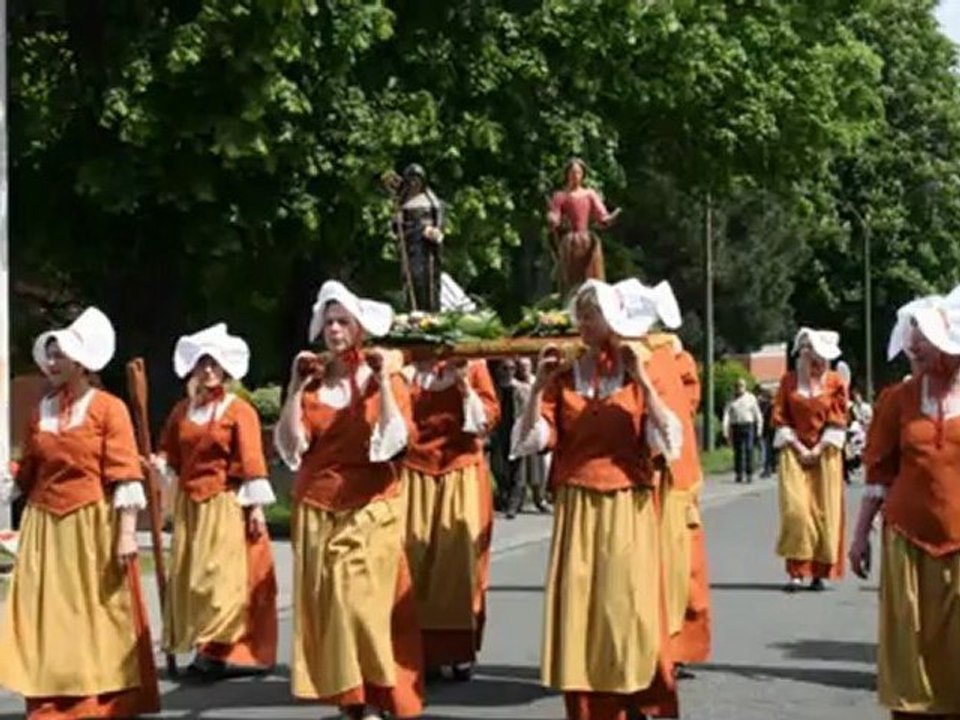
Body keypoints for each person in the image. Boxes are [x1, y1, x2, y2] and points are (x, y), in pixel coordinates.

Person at [512, 277, 683, 720]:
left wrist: (643, 378)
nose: (586, 323)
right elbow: (535, 438)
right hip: (577, 505)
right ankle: (589, 707)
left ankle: (637, 698)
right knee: (583, 608)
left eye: (594, 314)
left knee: (626, 605)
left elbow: (667, 439)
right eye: (582, 315)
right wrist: (536, 388)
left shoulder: (637, 372)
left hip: (628, 503)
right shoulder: (566, 376)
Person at [0, 308, 160, 718]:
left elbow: (125, 473)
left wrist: (126, 533)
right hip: (44, 526)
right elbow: (30, 469)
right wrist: (11, 481)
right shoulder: (42, 412)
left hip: (90, 522)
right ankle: (50, 693)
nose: (51, 363)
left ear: (81, 362)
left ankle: (95, 696)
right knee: (48, 614)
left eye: (60, 355)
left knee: (92, 611)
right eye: (49, 355)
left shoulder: (108, 408)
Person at [274, 281, 423, 720]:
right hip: (319, 506)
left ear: (359, 328)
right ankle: (353, 700)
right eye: (330, 322)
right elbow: (292, 444)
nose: (335, 330)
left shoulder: (383, 378)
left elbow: (393, 443)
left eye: (344, 322)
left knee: (356, 601)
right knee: (333, 608)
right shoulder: (317, 382)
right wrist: (294, 387)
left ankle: (378, 694)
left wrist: (380, 377)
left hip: (370, 505)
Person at [851, 289, 960, 719]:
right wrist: (860, 536)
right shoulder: (897, 400)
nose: (915, 347)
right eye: (913, 340)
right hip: (907, 539)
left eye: (925, 340)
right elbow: (878, 474)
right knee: (909, 648)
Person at [153, 323, 278, 679]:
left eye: (214, 364)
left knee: (218, 581)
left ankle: (221, 650)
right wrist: (160, 462)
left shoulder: (238, 411)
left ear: (224, 369)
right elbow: (170, 449)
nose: (208, 370)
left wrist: (255, 507)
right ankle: (204, 649)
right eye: (202, 363)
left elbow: (252, 459)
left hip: (224, 501)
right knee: (191, 579)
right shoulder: (182, 411)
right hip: (190, 506)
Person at [400, 357, 500, 681]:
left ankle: (458, 649)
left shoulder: (472, 365)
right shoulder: (404, 365)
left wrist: (464, 385)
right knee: (411, 557)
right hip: (414, 468)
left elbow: (487, 419)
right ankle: (418, 648)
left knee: (458, 562)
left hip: (460, 468)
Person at [772, 327, 848, 592]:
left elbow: (838, 420)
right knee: (796, 511)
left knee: (823, 511)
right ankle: (796, 570)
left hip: (825, 452)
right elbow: (780, 415)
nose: (810, 356)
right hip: (793, 451)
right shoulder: (789, 381)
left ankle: (819, 571)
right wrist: (798, 446)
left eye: (813, 351)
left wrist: (818, 449)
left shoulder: (835, 382)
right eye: (805, 350)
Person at [654, 339, 712, 675]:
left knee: (680, 570)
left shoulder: (673, 357)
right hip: (648, 478)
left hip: (673, 477)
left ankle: (674, 648)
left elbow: (684, 406)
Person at [547, 158, 621, 295]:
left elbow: (601, 214)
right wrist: (553, 219)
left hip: (587, 240)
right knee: (570, 277)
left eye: (578, 173)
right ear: (567, 174)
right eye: (572, 172)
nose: (575, 176)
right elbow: (555, 214)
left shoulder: (590, 194)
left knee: (592, 275)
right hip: (570, 242)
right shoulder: (560, 196)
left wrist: (608, 219)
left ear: (583, 175)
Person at [392, 163, 445, 311]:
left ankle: (432, 310)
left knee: (429, 280)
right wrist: (412, 227)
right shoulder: (402, 203)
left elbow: (439, 221)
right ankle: (414, 310)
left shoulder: (431, 200)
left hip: (428, 248)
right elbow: (398, 229)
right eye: (411, 180)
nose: (414, 183)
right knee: (413, 279)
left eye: (418, 180)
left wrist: (435, 232)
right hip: (412, 248)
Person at [504, 357, 550, 517]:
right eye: (521, 366)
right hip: (519, 429)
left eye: (526, 366)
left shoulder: (536, 381)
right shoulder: (513, 385)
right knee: (520, 471)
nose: (524, 369)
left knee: (538, 470)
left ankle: (540, 500)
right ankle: (514, 505)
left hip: (536, 427)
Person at [722, 378, 763, 483]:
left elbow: (757, 414)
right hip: (736, 426)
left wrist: (759, 429)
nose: (739, 388)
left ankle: (749, 474)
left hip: (748, 426)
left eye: (741, 386)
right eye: (737, 386)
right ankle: (739, 473)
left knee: (749, 450)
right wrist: (725, 431)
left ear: (745, 387)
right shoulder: (731, 399)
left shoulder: (750, 398)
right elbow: (726, 415)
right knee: (738, 451)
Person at [758, 388, 777, 478]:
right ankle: (772, 467)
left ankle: (768, 469)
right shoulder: (770, 406)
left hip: (771, 430)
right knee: (771, 450)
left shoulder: (772, 406)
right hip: (771, 431)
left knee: (769, 451)